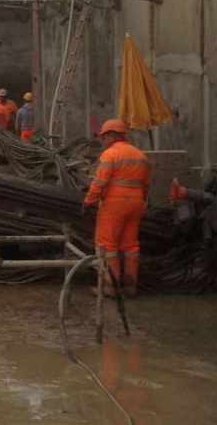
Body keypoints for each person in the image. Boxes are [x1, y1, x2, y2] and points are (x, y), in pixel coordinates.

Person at [83, 119, 151, 298]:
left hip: (114, 203)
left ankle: (110, 287)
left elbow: (99, 182)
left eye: (104, 137)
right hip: (136, 203)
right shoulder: (140, 155)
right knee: (130, 245)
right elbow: (146, 185)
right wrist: (141, 202)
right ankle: (130, 287)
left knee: (107, 245)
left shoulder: (110, 155)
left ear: (112, 135)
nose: (103, 141)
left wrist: (89, 201)